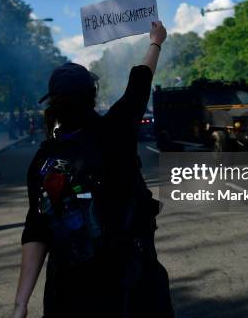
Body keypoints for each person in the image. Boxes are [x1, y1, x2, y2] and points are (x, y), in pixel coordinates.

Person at [12, 21, 173, 317]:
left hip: (67, 296)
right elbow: (139, 85)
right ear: (93, 96)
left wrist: (21, 303)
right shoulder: (114, 133)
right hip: (129, 289)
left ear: (53, 106)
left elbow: (37, 229)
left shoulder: (44, 161)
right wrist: (155, 42)